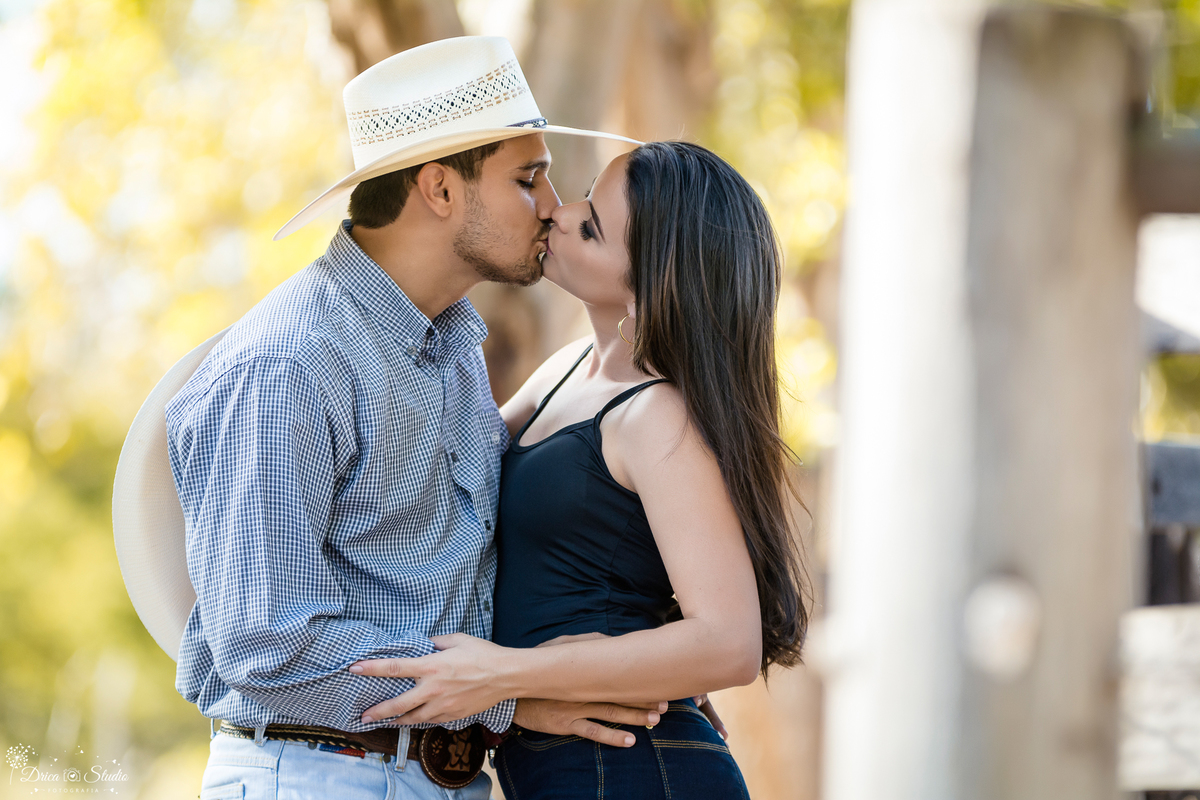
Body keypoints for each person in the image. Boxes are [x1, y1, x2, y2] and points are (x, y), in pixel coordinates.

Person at [164, 37, 658, 800]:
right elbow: (267, 645)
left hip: (446, 778)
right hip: (315, 777)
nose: (555, 208)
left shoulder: (452, 346)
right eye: (529, 180)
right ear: (438, 189)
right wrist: (514, 698)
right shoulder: (290, 367)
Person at [347, 140, 811, 798]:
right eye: (584, 195)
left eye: (592, 227)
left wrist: (507, 674)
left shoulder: (657, 416)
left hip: (633, 765)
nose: (560, 215)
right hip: (560, 760)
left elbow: (727, 643)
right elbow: (438, 471)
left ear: (654, 282)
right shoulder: (563, 370)